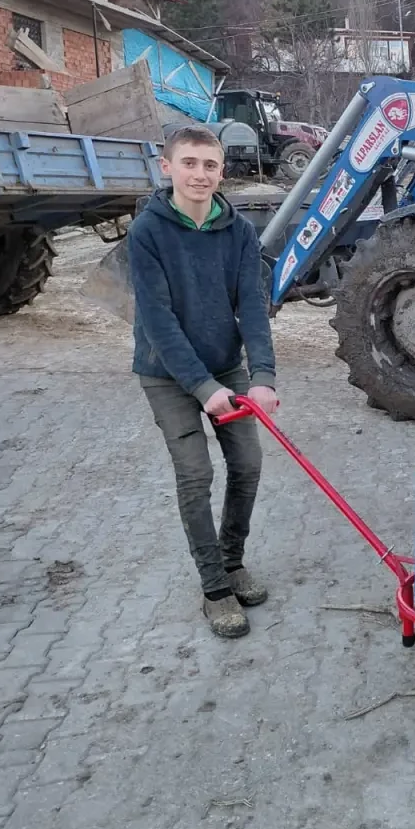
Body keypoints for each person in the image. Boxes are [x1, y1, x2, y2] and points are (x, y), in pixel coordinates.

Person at [128, 125, 280, 638]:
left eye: (210, 165)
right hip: (166, 372)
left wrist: (261, 374)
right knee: (196, 475)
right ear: (166, 166)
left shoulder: (238, 231)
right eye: (189, 163)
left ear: (222, 171)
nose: (200, 174)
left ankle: (233, 560)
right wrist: (203, 389)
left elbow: (253, 308)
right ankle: (215, 587)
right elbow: (158, 321)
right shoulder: (146, 232)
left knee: (248, 463)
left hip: (224, 365)